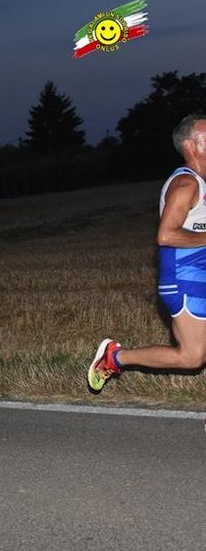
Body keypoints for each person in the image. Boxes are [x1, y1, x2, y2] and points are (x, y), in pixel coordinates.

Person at [89, 114, 206, 392]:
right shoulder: (186, 185)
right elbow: (166, 235)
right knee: (192, 356)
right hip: (185, 277)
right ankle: (115, 357)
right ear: (190, 145)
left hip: (199, 273)